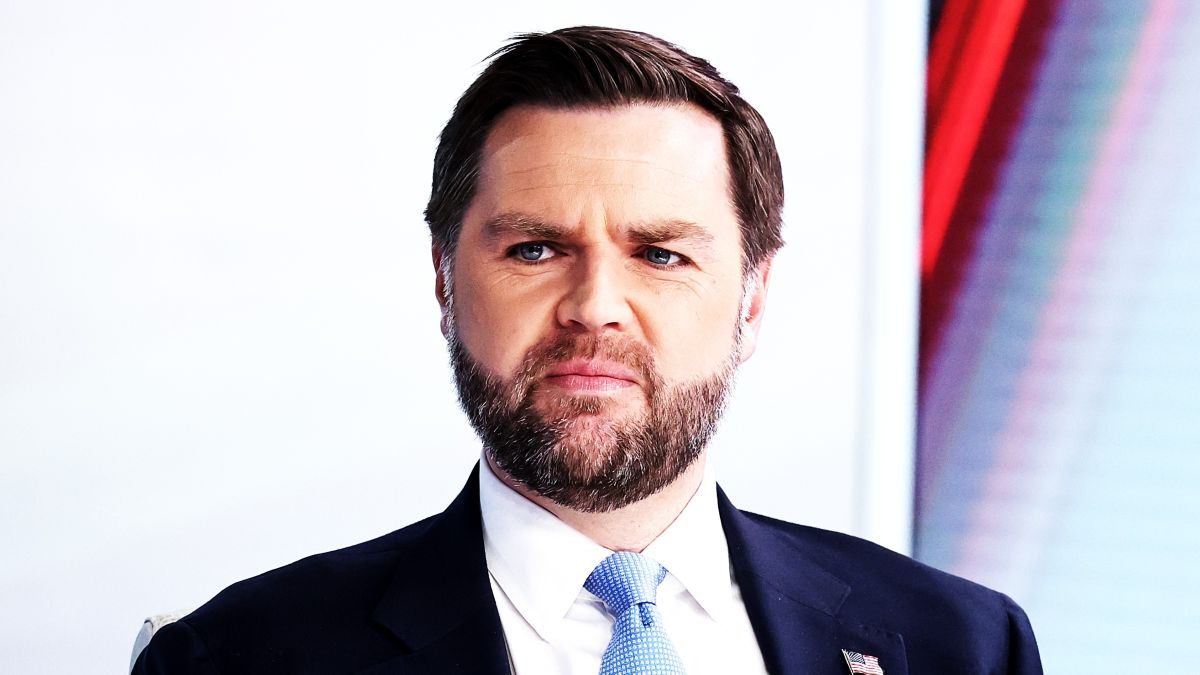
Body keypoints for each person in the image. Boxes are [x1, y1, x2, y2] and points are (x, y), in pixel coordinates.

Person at [132, 26, 1042, 675]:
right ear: (446, 280)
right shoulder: (235, 658)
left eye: (660, 254)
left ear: (754, 296)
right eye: (535, 249)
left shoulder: (962, 645)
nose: (595, 307)